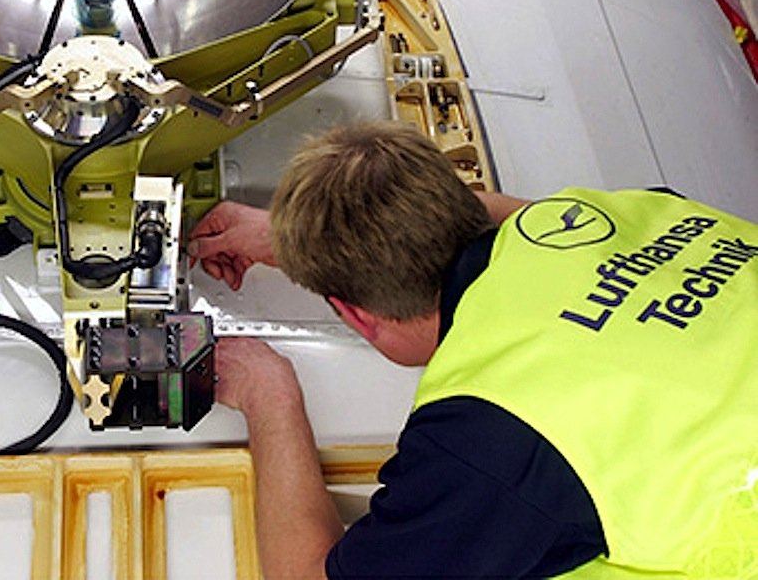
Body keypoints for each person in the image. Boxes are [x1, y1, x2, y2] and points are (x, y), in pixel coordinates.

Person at [187, 121, 758, 579]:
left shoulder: (488, 439)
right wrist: (302, 238)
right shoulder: (621, 214)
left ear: (358, 317)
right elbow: (511, 218)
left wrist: (270, 395)